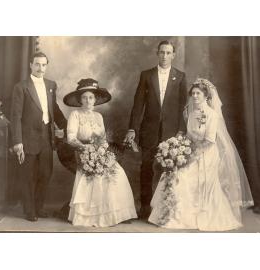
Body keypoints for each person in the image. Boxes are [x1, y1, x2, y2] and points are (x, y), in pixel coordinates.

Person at [148, 78, 254, 231]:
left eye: (198, 94)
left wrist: (191, 155)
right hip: (192, 151)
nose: (195, 96)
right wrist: (180, 149)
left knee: (185, 175)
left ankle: (197, 216)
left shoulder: (212, 115)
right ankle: (170, 216)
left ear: (206, 96)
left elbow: (210, 141)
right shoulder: (190, 114)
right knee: (175, 174)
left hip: (207, 154)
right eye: (193, 94)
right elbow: (189, 137)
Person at [124, 40, 187, 219]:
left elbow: (183, 106)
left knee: (170, 169)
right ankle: (145, 207)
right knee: (146, 168)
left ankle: (167, 209)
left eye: (168, 53)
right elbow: (138, 105)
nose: (165, 56)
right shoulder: (146, 75)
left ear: (173, 55)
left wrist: (181, 131)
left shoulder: (180, 76)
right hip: (149, 131)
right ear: (157, 53)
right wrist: (132, 129)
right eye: (162, 52)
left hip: (172, 132)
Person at [63, 78, 137, 227]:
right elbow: (71, 137)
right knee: (95, 175)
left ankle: (115, 213)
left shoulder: (98, 116)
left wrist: (103, 150)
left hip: (99, 151)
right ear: (80, 100)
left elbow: (102, 139)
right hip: (81, 151)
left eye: (91, 97)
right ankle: (91, 216)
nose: (88, 101)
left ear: (95, 100)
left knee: (117, 171)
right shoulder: (75, 115)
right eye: (84, 98)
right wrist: (86, 149)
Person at [10, 52, 67, 222]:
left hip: (46, 137)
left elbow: (53, 107)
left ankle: (39, 207)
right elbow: (15, 116)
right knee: (28, 176)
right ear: (30, 65)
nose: (40, 68)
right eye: (37, 64)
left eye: (43, 65)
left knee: (45, 173)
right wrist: (18, 142)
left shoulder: (51, 85)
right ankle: (29, 210)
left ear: (46, 66)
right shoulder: (21, 87)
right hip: (28, 138)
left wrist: (65, 124)